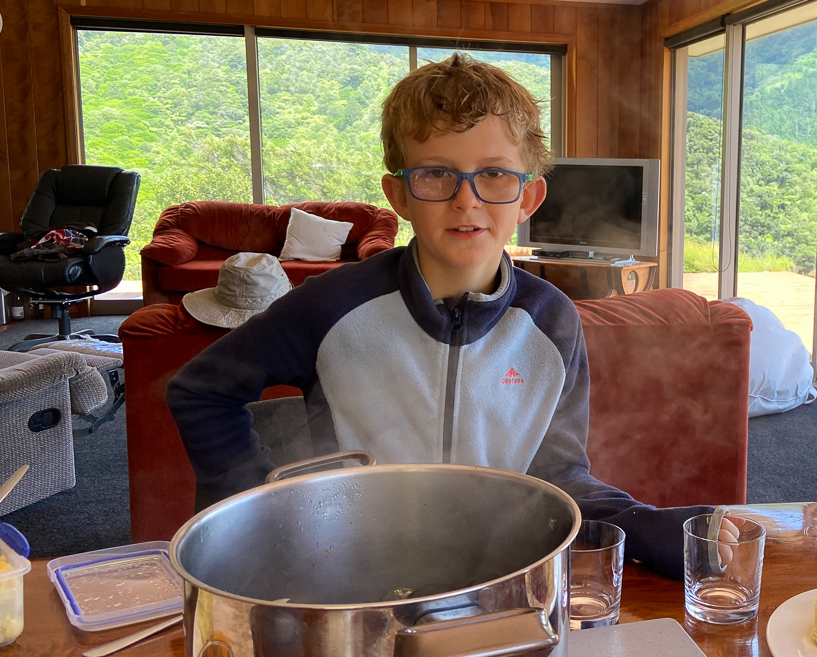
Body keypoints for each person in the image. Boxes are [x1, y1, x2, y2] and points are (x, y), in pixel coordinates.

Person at [168, 54, 733, 579]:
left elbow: (559, 479)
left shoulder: (553, 322)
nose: (467, 200)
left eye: (495, 174)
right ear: (400, 196)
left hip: (499, 575)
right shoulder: (330, 304)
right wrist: (260, 508)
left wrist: (644, 523)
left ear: (529, 198)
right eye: (436, 174)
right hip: (352, 574)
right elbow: (200, 391)